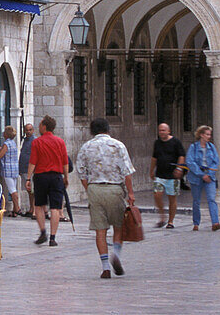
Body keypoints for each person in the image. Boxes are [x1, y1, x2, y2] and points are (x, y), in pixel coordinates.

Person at [75, 118, 135, 279]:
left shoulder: (86, 147)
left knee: (100, 230)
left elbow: (81, 172)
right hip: (115, 188)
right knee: (118, 226)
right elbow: (127, 172)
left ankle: (105, 266)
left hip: (95, 188)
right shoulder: (118, 145)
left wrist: (89, 189)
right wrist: (130, 193)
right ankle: (116, 254)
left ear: (92, 131)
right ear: (108, 129)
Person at [26, 115, 68, 246]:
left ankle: (43, 231)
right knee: (55, 207)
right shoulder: (60, 142)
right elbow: (65, 162)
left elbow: (33, 161)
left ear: (44, 127)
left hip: (41, 176)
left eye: (40, 125)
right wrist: (66, 177)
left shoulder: (37, 142)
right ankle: (53, 238)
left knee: (39, 205)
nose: (38, 127)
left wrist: (28, 178)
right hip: (56, 176)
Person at [185, 125, 220, 232]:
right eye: (207, 134)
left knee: (211, 199)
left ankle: (215, 222)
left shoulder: (211, 147)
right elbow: (190, 162)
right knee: (196, 201)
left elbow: (216, 162)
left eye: (209, 134)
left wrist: (210, 174)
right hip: (196, 176)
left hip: (209, 177)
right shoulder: (193, 147)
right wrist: (202, 174)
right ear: (201, 135)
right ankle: (196, 223)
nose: (209, 137)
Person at [149, 123, 186, 229]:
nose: (161, 132)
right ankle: (162, 216)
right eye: (160, 130)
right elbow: (154, 158)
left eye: (163, 130)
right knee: (157, 194)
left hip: (172, 176)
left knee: (172, 198)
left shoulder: (176, 142)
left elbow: (181, 155)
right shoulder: (157, 143)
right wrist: (151, 171)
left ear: (169, 131)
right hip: (160, 174)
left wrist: (179, 168)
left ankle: (171, 221)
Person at [0, 126, 20, 216]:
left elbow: (0, 155)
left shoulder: (6, 144)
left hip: (8, 169)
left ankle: (17, 208)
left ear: (6, 134)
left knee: (12, 190)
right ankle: (14, 210)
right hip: (14, 169)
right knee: (14, 188)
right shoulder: (13, 143)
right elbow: (4, 150)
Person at [18, 122, 36, 216]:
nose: (28, 132)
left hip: (30, 169)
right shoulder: (25, 140)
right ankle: (31, 208)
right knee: (29, 190)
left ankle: (34, 210)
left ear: (33, 130)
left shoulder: (34, 140)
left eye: (30, 130)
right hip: (24, 168)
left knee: (32, 190)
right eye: (26, 130)